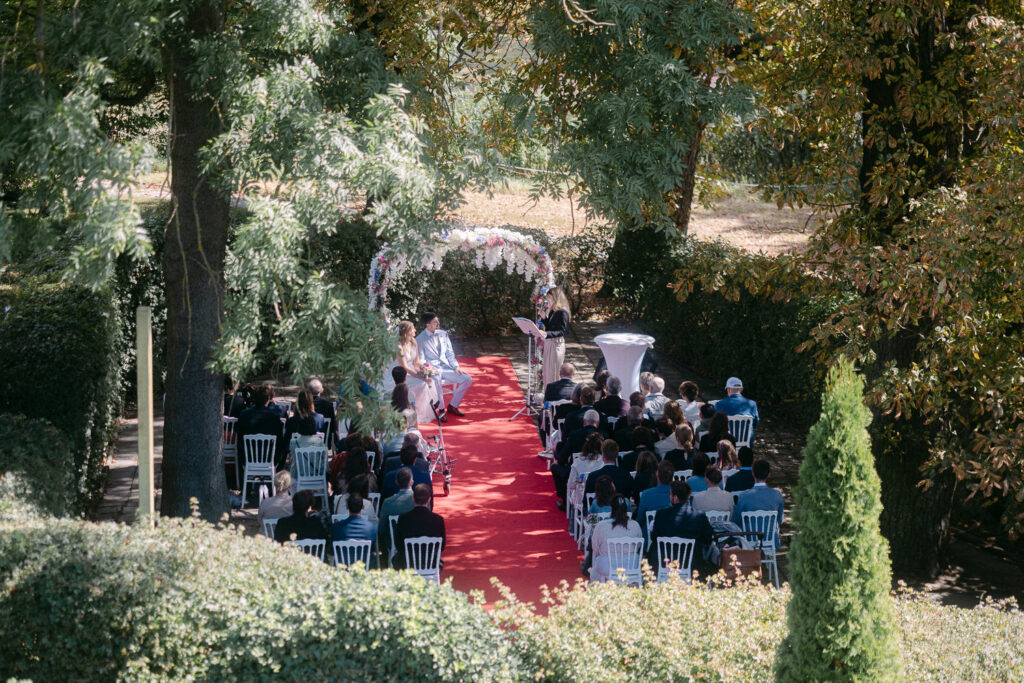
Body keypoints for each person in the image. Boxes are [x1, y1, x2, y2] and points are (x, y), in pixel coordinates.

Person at [648, 480, 716, 577]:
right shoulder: (699, 515)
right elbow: (708, 537)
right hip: (692, 564)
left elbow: (654, 537)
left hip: (665, 563)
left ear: (675, 498)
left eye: (670, 494)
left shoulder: (661, 515)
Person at [382, 320, 442, 424]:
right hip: (399, 374)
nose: (415, 330)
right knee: (423, 383)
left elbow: (416, 362)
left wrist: (427, 368)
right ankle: (416, 412)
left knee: (430, 380)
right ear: (407, 332)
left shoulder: (413, 342)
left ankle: (429, 404)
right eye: (413, 328)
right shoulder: (398, 346)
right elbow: (405, 367)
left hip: (410, 371)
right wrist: (421, 377)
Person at [417, 312, 472, 417]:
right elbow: (422, 360)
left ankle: (453, 406)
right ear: (428, 324)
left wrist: (456, 366)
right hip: (432, 369)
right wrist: (430, 370)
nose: (438, 323)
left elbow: (449, 353)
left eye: (438, 320)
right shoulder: (420, 339)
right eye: (435, 322)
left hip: (446, 367)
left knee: (467, 379)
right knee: (436, 379)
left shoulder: (443, 334)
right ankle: (441, 409)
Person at [552, 410, 601, 508]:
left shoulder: (575, 434)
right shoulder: (604, 435)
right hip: (599, 473)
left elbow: (565, 454)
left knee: (555, 467)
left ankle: (565, 501)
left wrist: (559, 462)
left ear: (584, 422)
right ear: (598, 423)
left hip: (578, 473)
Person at [590, 494, 642, 582]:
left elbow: (595, 548)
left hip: (608, 566)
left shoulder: (601, 525)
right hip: (631, 565)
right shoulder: (635, 525)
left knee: (596, 567)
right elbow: (638, 545)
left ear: (611, 508)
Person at [732, 460, 784, 547]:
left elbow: (736, 520)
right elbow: (780, 520)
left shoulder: (744, 496)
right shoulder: (777, 494)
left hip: (749, 540)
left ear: (753, 474)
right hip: (770, 538)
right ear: (768, 474)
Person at [394, 483, 445, 569]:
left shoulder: (403, 519)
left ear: (413, 498)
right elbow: (441, 546)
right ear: (429, 500)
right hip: (431, 563)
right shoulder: (438, 520)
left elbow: (398, 545)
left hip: (407, 563)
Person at [236, 383, 288, 468]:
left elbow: (239, 438)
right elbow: (279, 440)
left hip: (247, 458)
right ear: (268, 399)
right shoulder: (274, 417)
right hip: (269, 459)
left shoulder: (244, 414)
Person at [379, 467, 416, 567]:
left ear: (396, 482)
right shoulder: (419, 501)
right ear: (412, 482)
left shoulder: (388, 502)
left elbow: (381, 528)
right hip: (416, 542)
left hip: (394, 544)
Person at [331, 492, 378, 565]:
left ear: (347, 507)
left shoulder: (336, 527)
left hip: (343, 566)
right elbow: (372, 548)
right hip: (364, 566)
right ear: (363, 507)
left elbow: (333, 548)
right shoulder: (372, 527)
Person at [635, 460, 674, 544]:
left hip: (650, 540)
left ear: (657, 475)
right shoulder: (677, 493)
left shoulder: (646, 494)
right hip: (672, 539)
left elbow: (640, 520)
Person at [539, 286, 571, 388]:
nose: (547, 300)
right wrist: (544, 318)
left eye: (549, 297)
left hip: (556, 344)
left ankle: (554, 394)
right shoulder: (553, 311)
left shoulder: (563, 313)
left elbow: (563, 331)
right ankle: (547, 393)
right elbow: (551, 327)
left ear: (556, 298)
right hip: (549, 343)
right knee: (547, 372)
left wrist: (547, 334)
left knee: (554, 372)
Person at [567, 432, 605, 514]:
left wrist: (581, 480)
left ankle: (577, 521)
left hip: (582, 502)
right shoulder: (604, 462)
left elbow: (571, 485)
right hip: (602, 501)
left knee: (576, 496)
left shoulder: (578, 462)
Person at [307, 377, 337, 446]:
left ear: (308, 391)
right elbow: (332, 425)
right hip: (324, 441)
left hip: (303, 442)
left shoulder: (303, 405)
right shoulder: (328, 405)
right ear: (322, 390)